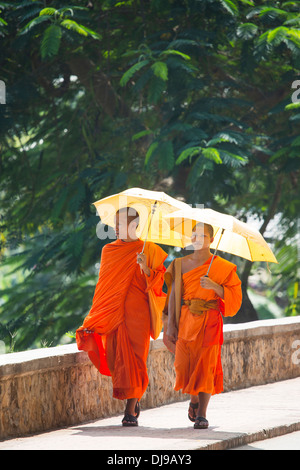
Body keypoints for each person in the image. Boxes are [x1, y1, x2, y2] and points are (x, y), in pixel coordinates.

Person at [76, 207, 167, 426]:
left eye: (122, 223)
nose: (116, 228)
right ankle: (132, 403)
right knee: (117, 358)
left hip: (138, 315)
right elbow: (103, 286)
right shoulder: (109, 250)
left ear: (135, 225)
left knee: (135, 359)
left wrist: (146, 268)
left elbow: (159, 284)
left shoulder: (150, 250)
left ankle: (130, 409)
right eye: (115, 223)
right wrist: (95, 315)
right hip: (114, 313)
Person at [163, 222, 242, 429]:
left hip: (210, 321)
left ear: (212, 240)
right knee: (183, 366)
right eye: (194, 235)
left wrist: (215, 286)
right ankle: (194, 400)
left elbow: (235, 297)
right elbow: (173, 296)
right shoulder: (180, 264)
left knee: (206, 367)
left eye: (203, 236)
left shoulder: (222, 267)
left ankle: (202, 415)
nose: (198, 238)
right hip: (186, 320)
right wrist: (169, 325)